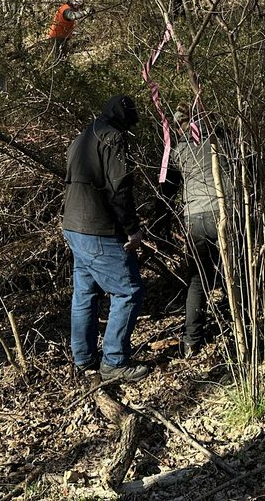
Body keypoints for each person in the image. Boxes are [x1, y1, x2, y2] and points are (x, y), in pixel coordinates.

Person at [62, 94, 148, 382]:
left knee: (85, 294)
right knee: (129, 291)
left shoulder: (80, 138)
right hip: (98, 229)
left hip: (73, 227)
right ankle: (114, 361)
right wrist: (132, 228)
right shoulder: (113, 138)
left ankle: (84, 358)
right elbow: (119, 188)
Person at [166, 105, 231, 358]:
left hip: (194, 218)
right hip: (225, 212)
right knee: (232, 272)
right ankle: (242, 326)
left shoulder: (176, 151)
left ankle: (192, 341)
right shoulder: (222, 142)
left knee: (197, 280)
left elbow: (167, 189)